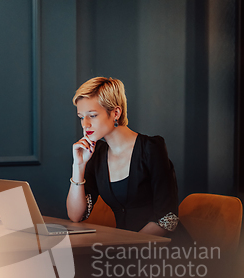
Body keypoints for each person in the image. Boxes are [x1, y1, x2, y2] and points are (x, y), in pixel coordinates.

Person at [66, 77, 185, 240]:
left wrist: (123, 247)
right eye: (81, 117)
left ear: (116, 113)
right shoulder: (97, 153)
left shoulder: (151, 148)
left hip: (163, 251)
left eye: (92, 115)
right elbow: (76, 215)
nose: (85, 124)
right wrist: (78, 166)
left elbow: (167, 219)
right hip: (124, 250)